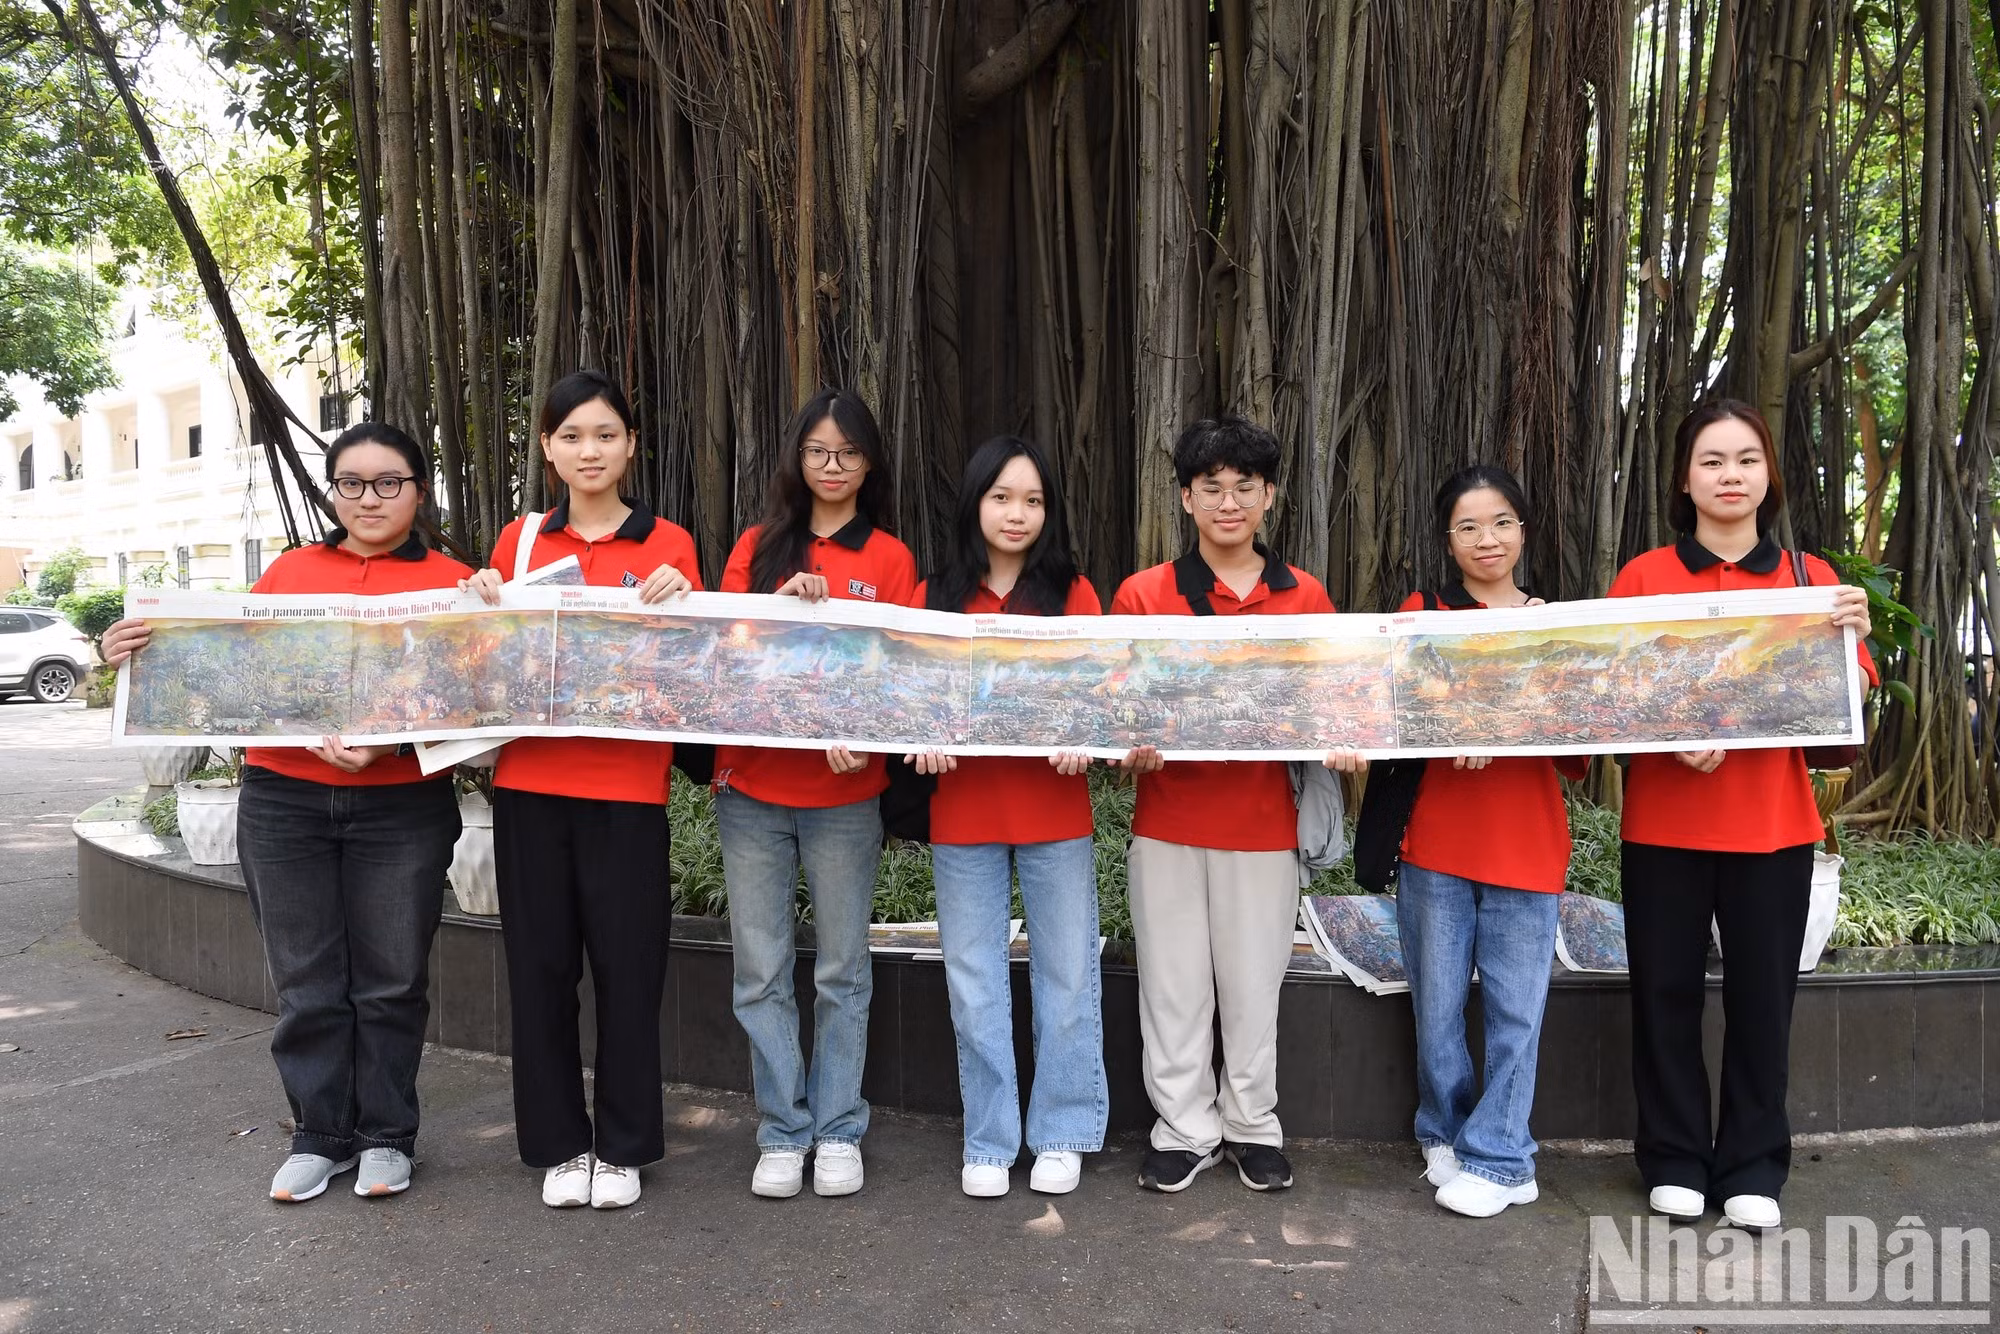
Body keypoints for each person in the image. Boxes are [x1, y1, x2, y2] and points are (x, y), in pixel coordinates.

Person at [103, 423, 471, 1203]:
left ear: (419, 491)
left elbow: (474, 707)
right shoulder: (288, 572)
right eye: (351, 483)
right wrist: (135, 652)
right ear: (333, 492)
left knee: (392, 980)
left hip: (401, 805)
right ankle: (320, 1135)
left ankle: (387, 1136)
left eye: (389, 482)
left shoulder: (454, 584)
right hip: (283, 800)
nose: (368, 499)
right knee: (307, 980)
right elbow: (226, 672)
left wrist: (394, 744)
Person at [1607, 399, 1874, 1231]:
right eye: (1713, 460)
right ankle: (1674, 1157)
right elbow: (1608, 697)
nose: (1731, 475)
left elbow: (1847, 704)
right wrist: (1668, 736)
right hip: (1663, 826)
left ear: (1770, 475)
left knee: (1764, 1001)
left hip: (1773, 827)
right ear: (1684, 479)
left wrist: (1852, 642)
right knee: (1664, 995)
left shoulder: (1813, 581)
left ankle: (1755, 1163)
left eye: (1747, 459)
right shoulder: (1643, 578)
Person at [461, 370, 702, 1211]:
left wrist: (687, 603)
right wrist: (478, 604)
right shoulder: (519, 543)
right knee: (540, 970)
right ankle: (560, 1145)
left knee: (629, 974)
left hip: (629, 789)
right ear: (548, 449)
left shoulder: (670, 543)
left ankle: (625, 1147)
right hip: (530, 784)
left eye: (605, 434)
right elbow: (487, 664)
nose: (589, 450)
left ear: (631, 444)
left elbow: (690, 672)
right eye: (571, 436)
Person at [1110, 414, 1334, 1194]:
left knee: (1251, 990)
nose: (1228, 503)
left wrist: (1341, 738)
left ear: (1269, 495)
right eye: (1212, 488)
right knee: (1172, 987)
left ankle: (1251, 1125)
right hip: (1167, 822)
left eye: (1245, 487)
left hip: (1263, 826)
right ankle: (1184, 1129)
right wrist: (1130, 746)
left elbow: (1327, 704)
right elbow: (1118, 708)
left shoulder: (1304, 597)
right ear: (1186, 498)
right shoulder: (1144, 595)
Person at [714, 388, 918, 1200]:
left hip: (845, 793)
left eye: (849, 452)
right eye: (818, 452)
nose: (833, 466)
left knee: (842, 968)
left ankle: (838, 1128)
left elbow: (902, 674)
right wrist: (772, 606)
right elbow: (720, 658)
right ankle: (781, 1129)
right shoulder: (757, 546)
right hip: (751, 787)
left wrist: (867, 738)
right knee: (760, 968)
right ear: (797, 458)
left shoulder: (891, 559)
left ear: (870, 463)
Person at [904, 435, 1108, 1198]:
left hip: (1055, 809)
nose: (1016, 514)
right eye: (1001, 497)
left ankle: (1062, 1131)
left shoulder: (1074, 594)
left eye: (1032, 500)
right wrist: (921, 739)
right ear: (974, 503)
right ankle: (989, 1138)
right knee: (975, 982)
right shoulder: (933, 596)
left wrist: (1085, 738)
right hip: (963, 813)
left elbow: (1100, 697)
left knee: (1068, 974)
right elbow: (909, 699)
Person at [1387, 466, 1586, 1218]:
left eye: (1501, 522)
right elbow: (1393, 716)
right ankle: (1443, 1129)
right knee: (1436, 1008)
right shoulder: (1421, 614)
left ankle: (1503, 1157)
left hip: (1526, 841)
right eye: (1468, 526)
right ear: (1448, 540)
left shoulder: (1555, 625)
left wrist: (1505, 725)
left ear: (1523, 530)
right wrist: (1452, 728)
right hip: (1436, 841)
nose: (1486, 539)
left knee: (1515, 1014)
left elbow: (1578, 742)